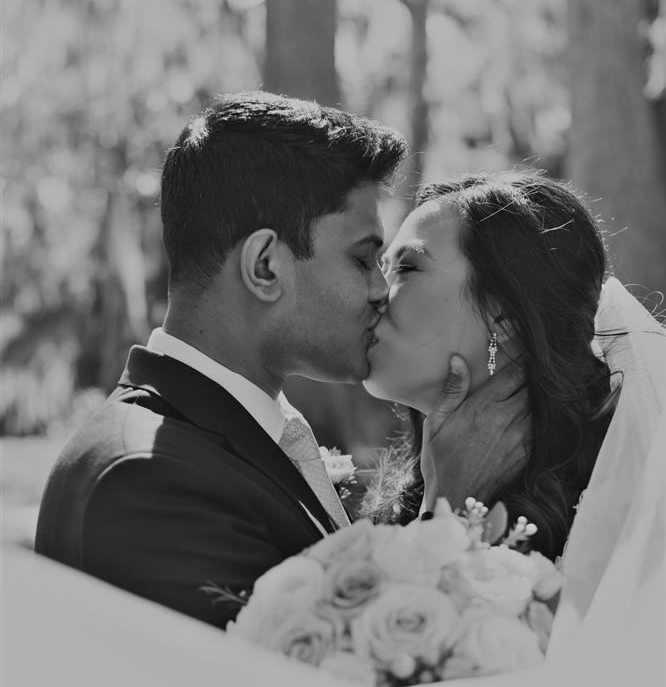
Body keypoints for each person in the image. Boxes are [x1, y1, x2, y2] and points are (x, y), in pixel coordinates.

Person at [35, 93, 528, 628]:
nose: (380, 289)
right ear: (266, 266)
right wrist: (449, 511)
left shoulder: (225, 439)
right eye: (363, 258)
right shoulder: (144, 483)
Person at [362, 171, 622, 563]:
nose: (375, 290)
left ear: (504, 316)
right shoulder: (389, 505)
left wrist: (448, 509)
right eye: (382, 267)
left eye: (407, 268)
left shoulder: (613, 516)